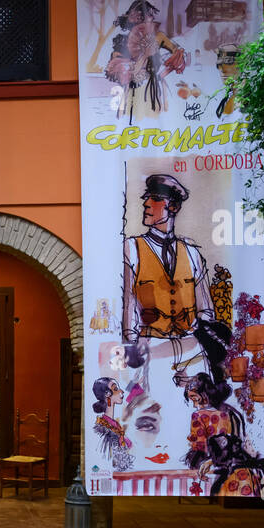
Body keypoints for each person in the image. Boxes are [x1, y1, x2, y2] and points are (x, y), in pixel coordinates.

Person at [122, 173, 214, 343]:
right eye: (146, 198)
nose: (146, 203)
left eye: (155, 199)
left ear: (173, 207)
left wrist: (202, 340)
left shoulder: (191, 252)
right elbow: (129, 302)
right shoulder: (132, 247)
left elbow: (205, 308)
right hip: (150, 345)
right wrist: (133, 343)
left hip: (190, 345)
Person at [103, 0, 186, 120]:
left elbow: (176, 52)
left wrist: (165, 64)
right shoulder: (122, 40)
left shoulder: (158, 36)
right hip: (132, 91)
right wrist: (143, 58)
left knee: (159, 121)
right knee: (128, 121)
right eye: (142, 15)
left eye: (149, 15)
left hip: (155, 87)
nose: (149, 18)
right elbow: (118, 70)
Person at [91, 377, 134, 472]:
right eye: (115, 389)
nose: (121, 391)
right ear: (107, 394)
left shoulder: (115, 426)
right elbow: (107, 459)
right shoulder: (103, 430)